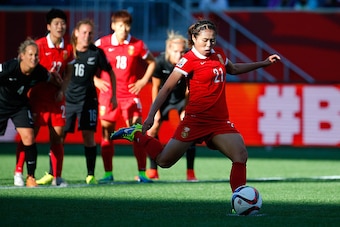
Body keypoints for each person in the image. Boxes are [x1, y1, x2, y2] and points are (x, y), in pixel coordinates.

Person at [110, 20, 280, 192]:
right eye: (204, 40)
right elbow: (166, 88)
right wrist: (151, 115)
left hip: (219, 122)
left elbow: (234, 68)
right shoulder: (188, 60)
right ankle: (136, 134)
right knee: (163, 161)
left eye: (212, 40)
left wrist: (264, 63)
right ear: (194, 38)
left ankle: (239, 200)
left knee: (240, 155)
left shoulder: (218, 54)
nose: (209, 44)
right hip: (195, 121)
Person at [94, 10, 156, 183]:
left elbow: (152, 62)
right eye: (121, 25)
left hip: (130, 96)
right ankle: (108, 174)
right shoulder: (102, 43)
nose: (124, 28)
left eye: (127, 25)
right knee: (107, 134)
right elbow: (86, 60)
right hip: (108, 96)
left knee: (138, 133)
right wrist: (96, 80)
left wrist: (143, 81)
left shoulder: (137, 44)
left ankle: (142, 174)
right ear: (113, 25)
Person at [14, 8, 73, 187]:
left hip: (56, 100)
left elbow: (69, 72)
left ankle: (57, 177)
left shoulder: (68, 48)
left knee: (58, 136)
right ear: (48, 26)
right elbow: (24, 65)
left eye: (63, 23)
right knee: (29, 137)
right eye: (56, 23)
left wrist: (62, 89)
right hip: (37, 99)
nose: (60, 26)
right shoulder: (38, 46)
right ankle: (19, 172)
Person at [1, 38, 62, 187]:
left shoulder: (39, 71)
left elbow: (51, 80)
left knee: (29, 136)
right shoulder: (9, 67)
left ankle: (30, 177)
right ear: (22, 55)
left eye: (36, 55)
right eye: (30, 54)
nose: (34, 58)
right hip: (1, 104)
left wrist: (60, 87)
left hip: (20, 106)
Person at [62, 19, 117, 184]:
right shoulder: (68, 52)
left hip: (89, 101)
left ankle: (90, 174)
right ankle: (54, 173)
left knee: (88, 137)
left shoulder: (96, 53)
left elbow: (110, 72)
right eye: (84, 32)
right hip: (68, 101)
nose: (87, 36)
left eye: (90, 33)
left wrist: (113, 95)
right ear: (76, 33)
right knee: (59, 137)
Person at [145, 30, 197, 181]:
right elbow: (155, 87)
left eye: (182, 51)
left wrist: (186, 109)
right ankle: (153, 171)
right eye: (175, 51)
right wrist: (156, 112)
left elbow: (190, 88)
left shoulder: (188, 61)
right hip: (164, 99)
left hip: (182, 98)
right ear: (168, 50)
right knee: (152, 130)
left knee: (189, 130)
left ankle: (190, 172)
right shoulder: (159, 62)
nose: (179, 55)